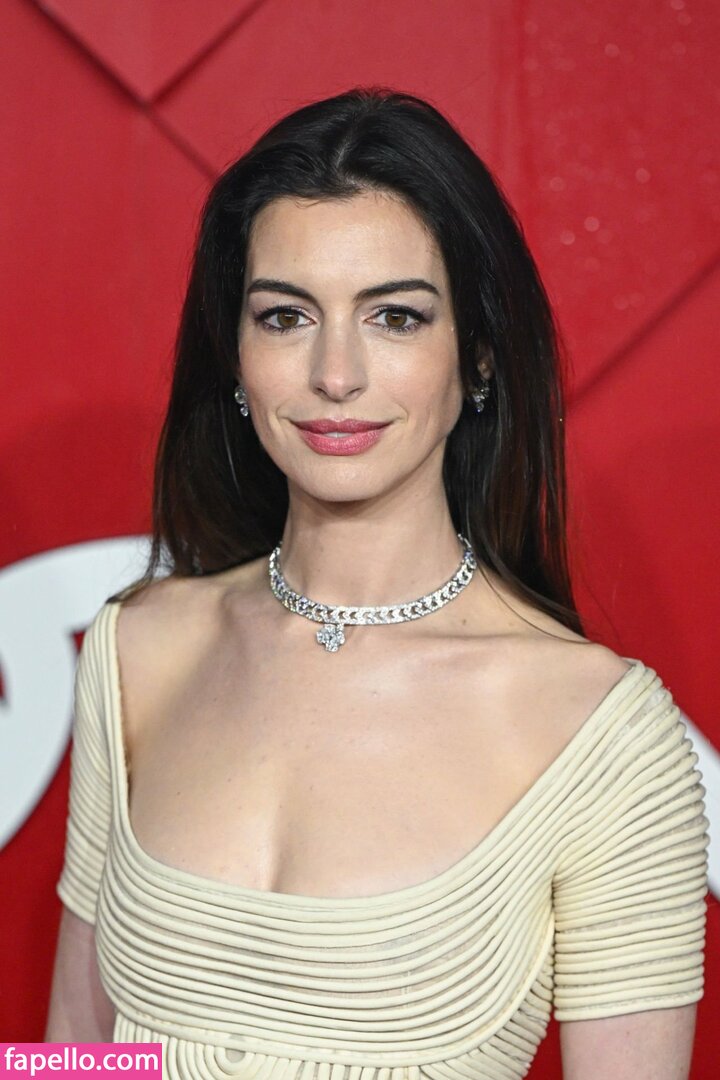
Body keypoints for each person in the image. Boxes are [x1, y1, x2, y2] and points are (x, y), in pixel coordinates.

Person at [45, 87, 709, 1079]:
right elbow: (73, 1051)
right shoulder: (140, 648)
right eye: (286, 317)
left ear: (476, 357)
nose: (336, 374)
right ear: (236, 356)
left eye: (395, 316)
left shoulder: (598, 732)